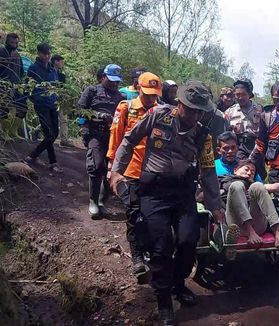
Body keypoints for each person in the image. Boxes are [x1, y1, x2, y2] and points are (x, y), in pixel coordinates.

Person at [109, 80, 225, 325]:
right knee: (161, 246)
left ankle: (178, 283)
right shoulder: (157, 116)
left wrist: (216, 205)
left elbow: (207, 170)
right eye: (190, 108)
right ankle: (164, 302)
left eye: (199, 110)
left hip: (183, 192)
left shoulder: (203, 134)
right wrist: (116, 172)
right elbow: (129, 140)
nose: (194, 115)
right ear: (179, 103)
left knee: (188, 241)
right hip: (154, 191)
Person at [106, 72, 162, 281]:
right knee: (134, 215)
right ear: (138, 89)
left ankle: (152, 252)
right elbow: (116, 138)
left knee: (153, 216)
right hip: (131, 172)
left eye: (154, 95)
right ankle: (137, 256)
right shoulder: (126, 108)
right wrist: (112, 167)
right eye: (147, 94)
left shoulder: (162, 112)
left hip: (155, 173)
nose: (150, 99)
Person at [78, 64, 124, 219]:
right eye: (111, 80)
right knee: (97, 166)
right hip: (95, 133)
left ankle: (102, 201)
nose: (114, 84)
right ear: (103, 77)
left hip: (113, 136)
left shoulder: (120, 97)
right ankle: (92, 201)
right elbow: (79, 109)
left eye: (117, 82)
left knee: (110, 170)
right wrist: (99, 115)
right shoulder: (91, 91)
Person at [221, 158, 279, 248]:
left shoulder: (254, 185)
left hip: (257, 224)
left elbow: (278, 186)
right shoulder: (224, 180)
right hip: (235, 225)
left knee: (257, 186)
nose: (249, 173)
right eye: (246, 169)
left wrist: (263, 187)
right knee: (237, 185)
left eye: (252, 172)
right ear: (235, 170)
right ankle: (247, 233)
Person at [24, 43, 63, 172]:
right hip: (41, 105)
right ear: (39, 53)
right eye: (45, 54)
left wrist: (57, 98)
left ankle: (33, 155)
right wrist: (36, 98)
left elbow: (56, 85)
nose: (47, 56)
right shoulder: (33, 68)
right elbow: (27, 86)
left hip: (53, 104)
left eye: (49, 54)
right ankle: (53, 162)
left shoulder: (53, 69)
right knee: (49, 134)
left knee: (54, 134)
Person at [224, 79, 265, 178]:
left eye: (243, 94)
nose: (240, 97)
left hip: (256, 147)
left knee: (257, 176)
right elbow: (226, 135)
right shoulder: (229, 112)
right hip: (239, 147)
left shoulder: (259, 110)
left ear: (249, 94)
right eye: (237, 94)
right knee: (241, 175)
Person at [0, 33, 27, 134]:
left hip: (16, 85)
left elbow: (21, 70)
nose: (14, 44)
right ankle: (4, 132)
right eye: (12, 42)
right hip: (3, 85)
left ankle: (13, 131)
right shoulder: (1, 51)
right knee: (3, 109)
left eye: (16, 43)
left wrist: (20, 82)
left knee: (23, 107)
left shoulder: (17, 54)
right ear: (7, 41)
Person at [51, 54, 73, 147]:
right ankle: (36, 131)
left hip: (61, 99)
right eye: (61, 61)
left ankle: (64, 139)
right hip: (52, 99)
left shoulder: (61, 75)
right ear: (55, 61)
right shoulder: (50, 72)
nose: (62, 64)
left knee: (63, 119)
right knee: (52, 119)